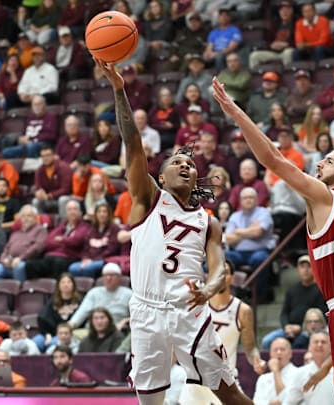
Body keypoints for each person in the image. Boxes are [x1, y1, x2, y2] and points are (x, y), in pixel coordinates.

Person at [213, 77, 334, 404]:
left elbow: (273, 159)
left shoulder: (325, 196)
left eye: (329, 161)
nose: (319, 163)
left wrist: (234, 111)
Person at [96, 59, 252, 405]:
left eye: (190, 164)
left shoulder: (207, 221)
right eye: (176, 162)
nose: (185, 164)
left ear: (196, 179)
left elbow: (219, 270)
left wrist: (208, 290)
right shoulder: (148, 198)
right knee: (151, 401)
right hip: (146, 310)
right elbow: (132, 141)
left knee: (228, 392)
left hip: (188, 309)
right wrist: (119, 89)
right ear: (161, 177)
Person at [179, 260, 265, 404]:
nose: (219, 277)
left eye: (224, 273)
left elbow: (250, 349)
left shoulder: (243, 311)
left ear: (232, 277)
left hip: (225, 380)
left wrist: (256, 359)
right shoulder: (197, 305)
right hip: (197, 380)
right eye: (215, 273)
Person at [261, 255, 328, 350]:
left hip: (310, 328)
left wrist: (301, 327)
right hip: (289, 329)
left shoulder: (320, 290)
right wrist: (286, 327)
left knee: (299, 343)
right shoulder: (292, 289)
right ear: (298, 269)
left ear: (314, 268)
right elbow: (284, 313)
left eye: (308, 266)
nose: (305, 270)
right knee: (267, 341)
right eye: (302, 266)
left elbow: (323, 316)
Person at [252, 337, 300, 403]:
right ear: (270, 354)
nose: (278, 352)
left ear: (290, 354)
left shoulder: (299, 374)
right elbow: (256, 402)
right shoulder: (263, 378)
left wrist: (276, 371)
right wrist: (270, 403)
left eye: (282, 349)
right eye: (275, 350)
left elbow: (288, 400)